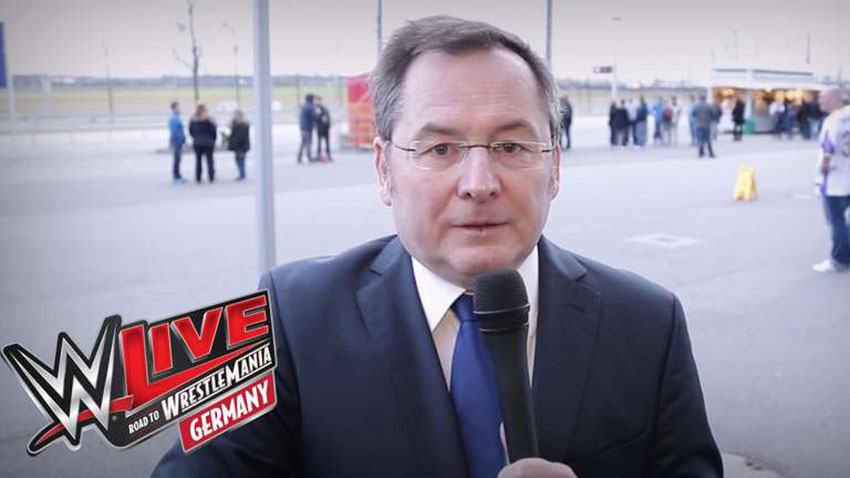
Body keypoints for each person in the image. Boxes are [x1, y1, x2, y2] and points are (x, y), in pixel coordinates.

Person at [153, 16, 722, 478]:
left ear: (554, 167)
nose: (479, 183)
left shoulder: (649, 324)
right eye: (440, 149)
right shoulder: (286, 314)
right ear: (384, 170)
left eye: (511, 146)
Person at [812, 88, 850, 273]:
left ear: (834, 99)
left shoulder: (833, 120)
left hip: (834, 179)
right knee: (843, 221)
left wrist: (823, 166)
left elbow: (828, 147)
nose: (820, 102)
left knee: (836, 221)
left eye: (823, 98)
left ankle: (839, 260)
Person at [188, 103, 217, 183]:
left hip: (198, 142)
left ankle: (198, 177)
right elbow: (214, 131)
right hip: (208, 142)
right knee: (210, 160)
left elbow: (191, 131)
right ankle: (211, 176)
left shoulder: (193, 120)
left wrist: (195, 137)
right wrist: (213, 139)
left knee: (198, 160)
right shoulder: (210, 120)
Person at [228, 109, 250, 180]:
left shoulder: (243, 125)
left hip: (241, 145)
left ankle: (242, 174)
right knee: (238, 159)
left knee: (240, 160)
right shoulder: (236, 124)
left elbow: (240, 136)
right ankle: (241, 173)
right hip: (237, 145)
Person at [168, 101, 186, 184]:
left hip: (178, 141)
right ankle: (176, 177)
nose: (180, 108)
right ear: (174, 108)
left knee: (178, 159)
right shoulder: (174, 118)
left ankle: (178, 176)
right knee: (177, 159)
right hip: (177, 142)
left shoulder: (176, 117)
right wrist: (180, 140)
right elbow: (175, 132)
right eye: (178, 107)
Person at [297, 94, 316, 164]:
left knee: (303, 143)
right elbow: (314, 116)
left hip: (303, 127)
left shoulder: (303, 106)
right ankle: (309, 157)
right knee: (308, 143)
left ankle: (299, 157)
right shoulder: (310, 107)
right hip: (308, 128)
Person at [314, 96, 332, 162]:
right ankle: (319, 155)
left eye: (320, 100)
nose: (319, 102)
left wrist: (329, 124)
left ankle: (328, 154)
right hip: (320, 127)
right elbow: (317, 118)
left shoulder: (324, 108)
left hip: (326, 127)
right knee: (319, 142)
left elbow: (328, 116)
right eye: (318, 100)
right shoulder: (316, 108)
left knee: (327, 142)